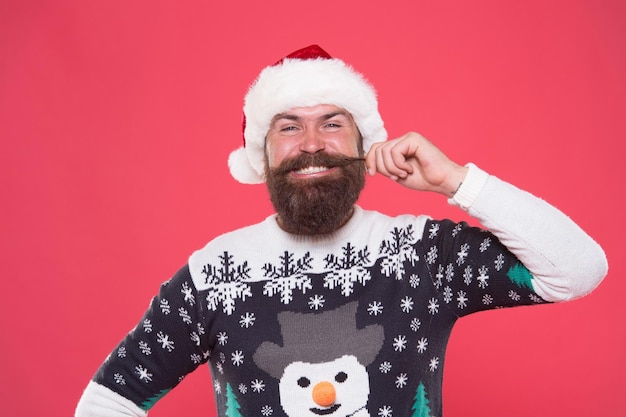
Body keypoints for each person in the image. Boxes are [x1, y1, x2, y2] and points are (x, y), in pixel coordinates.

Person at [75, 45, 608, 417]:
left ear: (362, 146)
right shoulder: (214, 274)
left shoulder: (421, 255)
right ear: (262, 155)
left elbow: (578, 270)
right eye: (289, 126)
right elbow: (110, 401)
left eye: (332, 123)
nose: (312, 143)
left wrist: (456, 181)